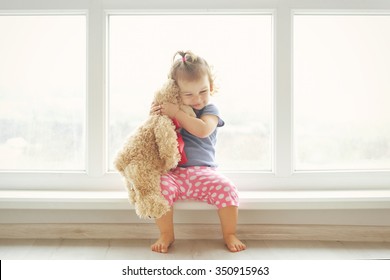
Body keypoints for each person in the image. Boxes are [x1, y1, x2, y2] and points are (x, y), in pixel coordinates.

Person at [150, 51, 246, 253]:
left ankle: (229, 233)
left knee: (227, 189)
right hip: (174, 173)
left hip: (203, 172)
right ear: (176, 93)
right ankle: (166, 233)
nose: (198, 99)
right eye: (189, 94)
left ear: (211, 87)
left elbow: (202, 130)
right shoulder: (174, 110)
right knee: (158, 188)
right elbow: (155, 131)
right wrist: (158, 112)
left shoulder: (211, 110)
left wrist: (176, 113)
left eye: (203, 91)